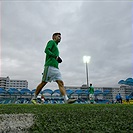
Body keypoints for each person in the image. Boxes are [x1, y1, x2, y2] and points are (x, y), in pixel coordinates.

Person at [31, 32, 76, 104]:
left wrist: (57, 60)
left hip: (56, 68)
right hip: (49, 66)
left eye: (60, 37)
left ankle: (66, 100)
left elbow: (54, 56)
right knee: (43, 83)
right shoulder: (51, 42)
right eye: (58, 36)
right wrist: (55, 57)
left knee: (61, 82)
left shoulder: (56, 47)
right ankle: (34, 98)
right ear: (54, 37)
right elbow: (46, 50)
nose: (60, 38)